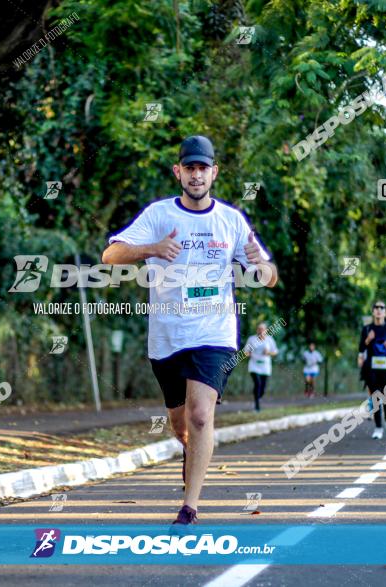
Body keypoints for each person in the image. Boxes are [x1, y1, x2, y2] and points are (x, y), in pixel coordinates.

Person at [102, 135, 278, 526]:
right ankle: (189, 449)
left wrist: (259, 267)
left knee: (201, 416)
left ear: (214, 173)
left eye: (204, 168)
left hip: (215, 335)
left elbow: (268, 276)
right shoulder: (159, 215)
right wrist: (150, 249)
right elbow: (111, 255)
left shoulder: (231, 220)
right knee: (180, 425)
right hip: (167, 337)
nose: (197, 175)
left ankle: (189, 506)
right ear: (178, 172)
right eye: (190, 168)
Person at [357, 300, 386, 438]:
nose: (378, 310)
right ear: (373, 311)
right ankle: (378, 428)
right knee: (375, 397)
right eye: (376, 307)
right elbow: (361, 348)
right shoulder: (367, 329)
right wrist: (367, 340)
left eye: (381, 307)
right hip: (372, 368)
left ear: (385, 312)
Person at [244, 322, 279, 411]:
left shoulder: (270, 340)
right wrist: (249, 353)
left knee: (263, 387)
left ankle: (258, 397)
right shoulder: (251, 339)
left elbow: (275, 352)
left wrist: (268, 353)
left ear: (266, 331)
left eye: (262, 329)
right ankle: (257, 406)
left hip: (265, 366)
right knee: (257, 383)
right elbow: (245, 352)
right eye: (259, 329)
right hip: (254, 365)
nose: (260, 331)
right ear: (257, 330)